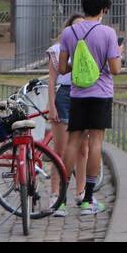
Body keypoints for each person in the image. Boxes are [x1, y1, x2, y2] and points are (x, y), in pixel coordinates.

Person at [55, 0, 122, 215]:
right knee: (95, 144)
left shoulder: (69, 33)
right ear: (104, 9)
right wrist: (115, 55)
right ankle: (87, 200)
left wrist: (81, 66)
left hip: (78, 95)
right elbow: (115, 69)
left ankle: (61, 201)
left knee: (72, 143)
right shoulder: (108, 33)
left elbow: (63, 67)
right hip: (101, 93)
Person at [46, 14, 88, 215]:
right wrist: (51, 104)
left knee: (83, 148)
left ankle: (81, 192)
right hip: (64, 96)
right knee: (60, 149)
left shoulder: (90, 48)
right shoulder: (58, 49)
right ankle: (55, 194)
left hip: (83, 95)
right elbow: (52, 80)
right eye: (75, 26)